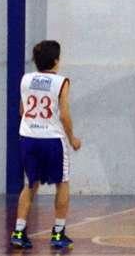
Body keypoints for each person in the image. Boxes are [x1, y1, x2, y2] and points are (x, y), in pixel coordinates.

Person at [10, 40, 82, 250]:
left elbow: (22, 110)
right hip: (52, 139)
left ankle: (18, 231)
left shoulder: (26, 79)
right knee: (63, 183)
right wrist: (72, 138)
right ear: (56, 60)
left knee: (30, 184)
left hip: (28, 137)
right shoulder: (61, 82)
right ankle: (58, 233)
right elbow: (65, 115)